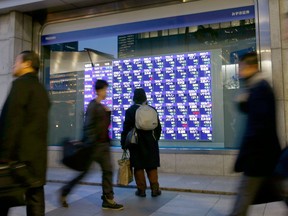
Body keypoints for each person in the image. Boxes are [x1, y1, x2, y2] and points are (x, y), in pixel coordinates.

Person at [229, 52, 282, 216]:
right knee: (276, 189)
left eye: (241, 67)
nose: (239, 72)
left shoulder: (260, 89)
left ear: (250, 67)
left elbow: (259, 125)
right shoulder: (257, 87)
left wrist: (247, 153)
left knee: (244, 195)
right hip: (262, 155)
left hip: (258, 155)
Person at [60, 79, 123, 210]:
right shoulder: (93, 106)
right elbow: (88, 126)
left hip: (103, 145)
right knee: (85, 172)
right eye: (105, 89)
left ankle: (108, 199)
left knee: (108, 170)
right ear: (99, 91)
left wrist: (107, 112)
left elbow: (105, 125)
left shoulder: (101, 106)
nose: (106, 92)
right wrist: (90, 143)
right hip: (94, 146)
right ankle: (65, 191)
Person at [0, 51, 50, 216]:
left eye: (16, 62)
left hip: (17, 160)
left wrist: (4, 155)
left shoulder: (20, 85)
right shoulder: (41, 90)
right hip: (37, 161)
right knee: (35, 201)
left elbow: (10, 122)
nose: (14, 65)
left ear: (27, 64)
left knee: (3, 197)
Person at [121, 88, 162, 197]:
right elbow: (158, 127)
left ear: (134, 98)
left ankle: (141, 190)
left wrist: (123, 143)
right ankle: (155, 189)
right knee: (152, 165)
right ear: (145, 97)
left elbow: (126, 129)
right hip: (151, 142)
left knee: (138, 166)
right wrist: (155, 138)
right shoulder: (152, 109)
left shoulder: (130, 110)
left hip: (136, 143)